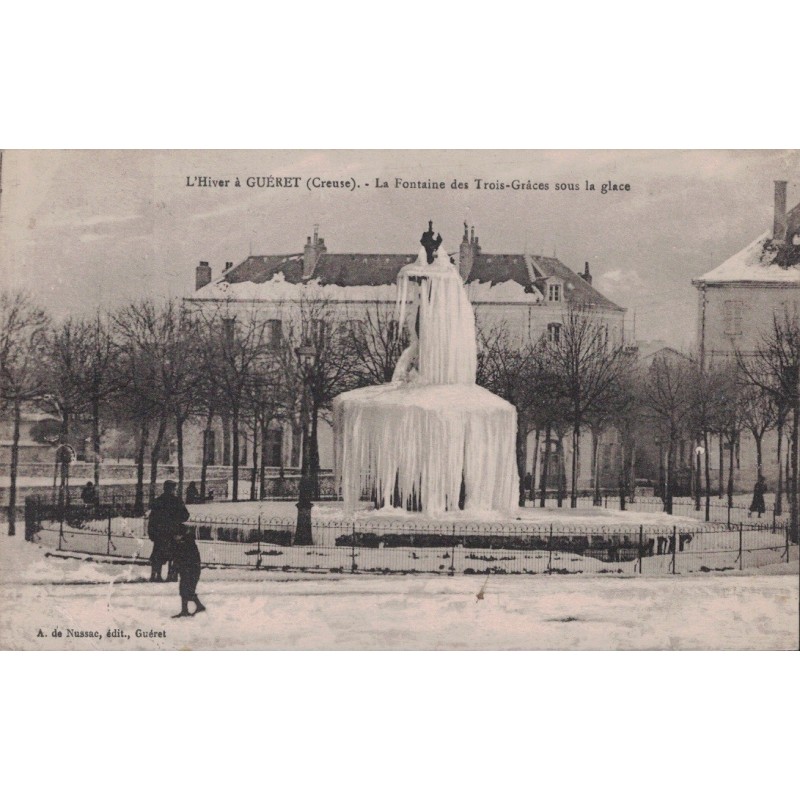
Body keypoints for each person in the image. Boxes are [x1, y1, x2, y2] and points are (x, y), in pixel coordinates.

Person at [147, 480, 189, 582]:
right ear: (173, 489)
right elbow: (185, 516)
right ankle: (172, 575)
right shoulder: (177, 501)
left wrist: (151, 532)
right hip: (173, 532)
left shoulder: (158, 501)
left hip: (159, 533)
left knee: (158, 554)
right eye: (174, 489)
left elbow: (152, 518)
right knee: (175, 554)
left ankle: (155, 575)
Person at [171, 527, 205, 618]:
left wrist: (178, 568)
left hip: (192, 570)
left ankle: (197, 607)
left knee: (188, 590)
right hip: (186, 570)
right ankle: (187, 610)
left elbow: (186, 558)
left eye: (175, 536)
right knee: (184, 590)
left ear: (180, 535)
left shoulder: (188, 543)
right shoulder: (181, 543)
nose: (174, 538)